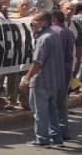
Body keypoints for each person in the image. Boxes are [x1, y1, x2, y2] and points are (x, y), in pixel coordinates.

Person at [18, 12, 66, 146]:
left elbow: (37, 62)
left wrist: (26, 78)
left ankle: (42, 138)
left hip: (41, 80)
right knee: (51, 110)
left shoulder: (44, 38)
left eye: (36, 20)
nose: (33, 23)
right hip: (53, 80)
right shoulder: (54, 35)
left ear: (45, 22)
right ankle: (56, 137)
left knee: (39, 111)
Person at [49, 10, 76, 139]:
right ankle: (64, 130)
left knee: (52, 101)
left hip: (55, 70)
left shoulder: (53, 32)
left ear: (53, 19)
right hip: (66, 69)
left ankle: (54, 131)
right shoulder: (69, 33)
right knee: (62, 101)